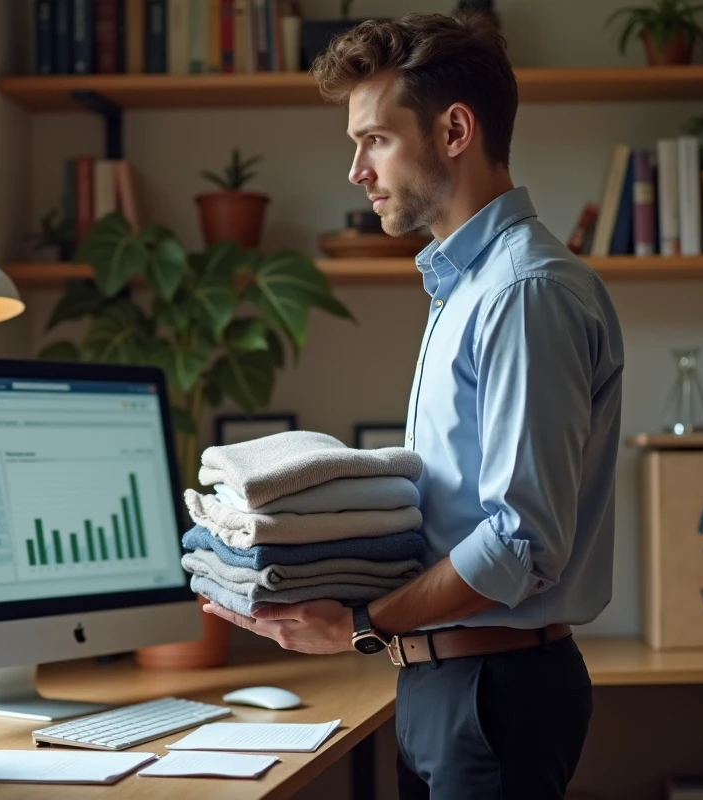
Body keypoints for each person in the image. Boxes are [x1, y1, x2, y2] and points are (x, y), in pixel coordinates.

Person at [201, 12, 625, 799]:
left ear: (455, 129)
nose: (357, 169)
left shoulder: (523, 292)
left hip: (493, 690)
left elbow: (519, 543)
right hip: (445, 679)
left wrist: (360, 627)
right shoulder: (465, 286)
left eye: (376, 139)